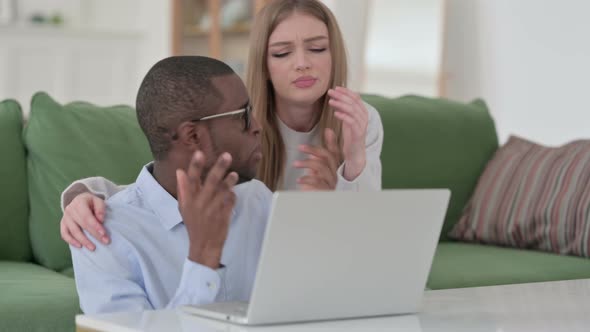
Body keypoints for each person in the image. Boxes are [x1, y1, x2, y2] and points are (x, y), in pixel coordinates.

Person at [60, 0, 384, 250]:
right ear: (265, 65)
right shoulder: (237, 122)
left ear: (334, 54)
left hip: (323, 256)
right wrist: (85, 194)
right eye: (283, 53)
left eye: (317, 48)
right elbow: (170, 187)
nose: (303, 63)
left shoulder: (358, 120)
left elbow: (367, 234)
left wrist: (355, 163)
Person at [72, 55, 271, 314]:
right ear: (192, 135)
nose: (257, 127)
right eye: (243, 115)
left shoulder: (257, 199)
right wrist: (202, 258)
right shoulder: (103, 234)